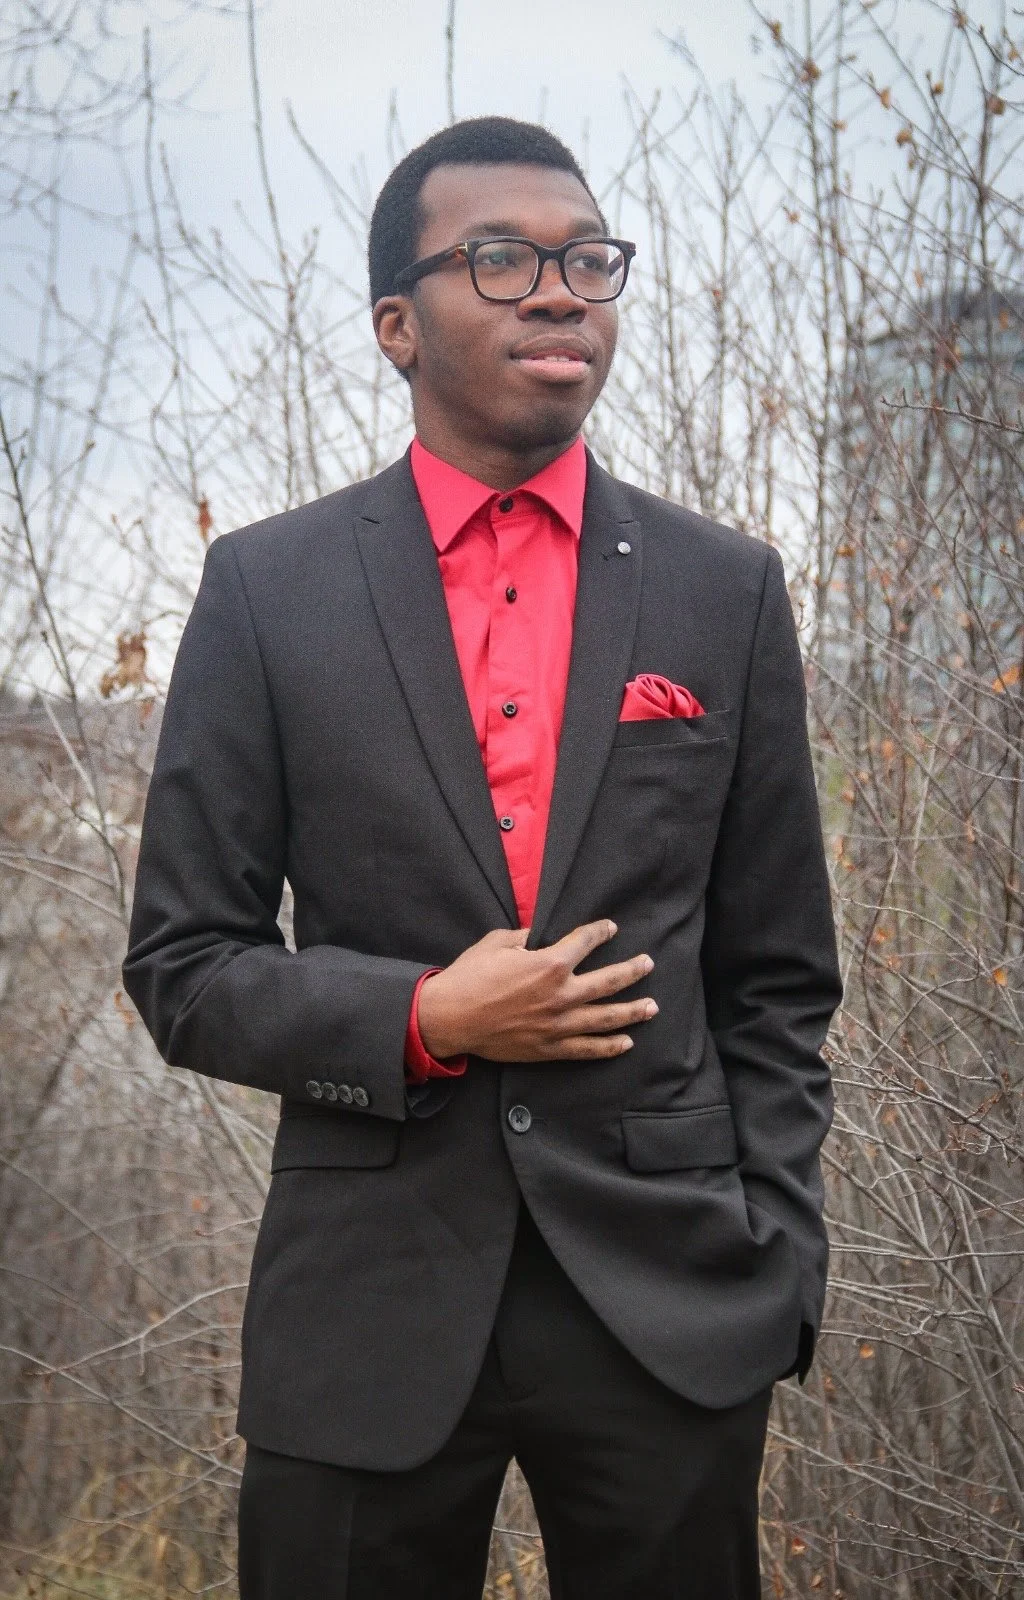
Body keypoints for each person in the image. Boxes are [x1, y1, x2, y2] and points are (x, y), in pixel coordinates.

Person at [123, 115, 844, 1600]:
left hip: (670, 1303)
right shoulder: (270, 589)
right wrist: (421, 1020)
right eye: (501, 259)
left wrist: (774, 1255)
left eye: (589, 260)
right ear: (398, 323)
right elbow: (184, 965)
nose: (560, 292)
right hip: (365, 1301)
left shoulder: (726, 591)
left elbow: (782, 977)